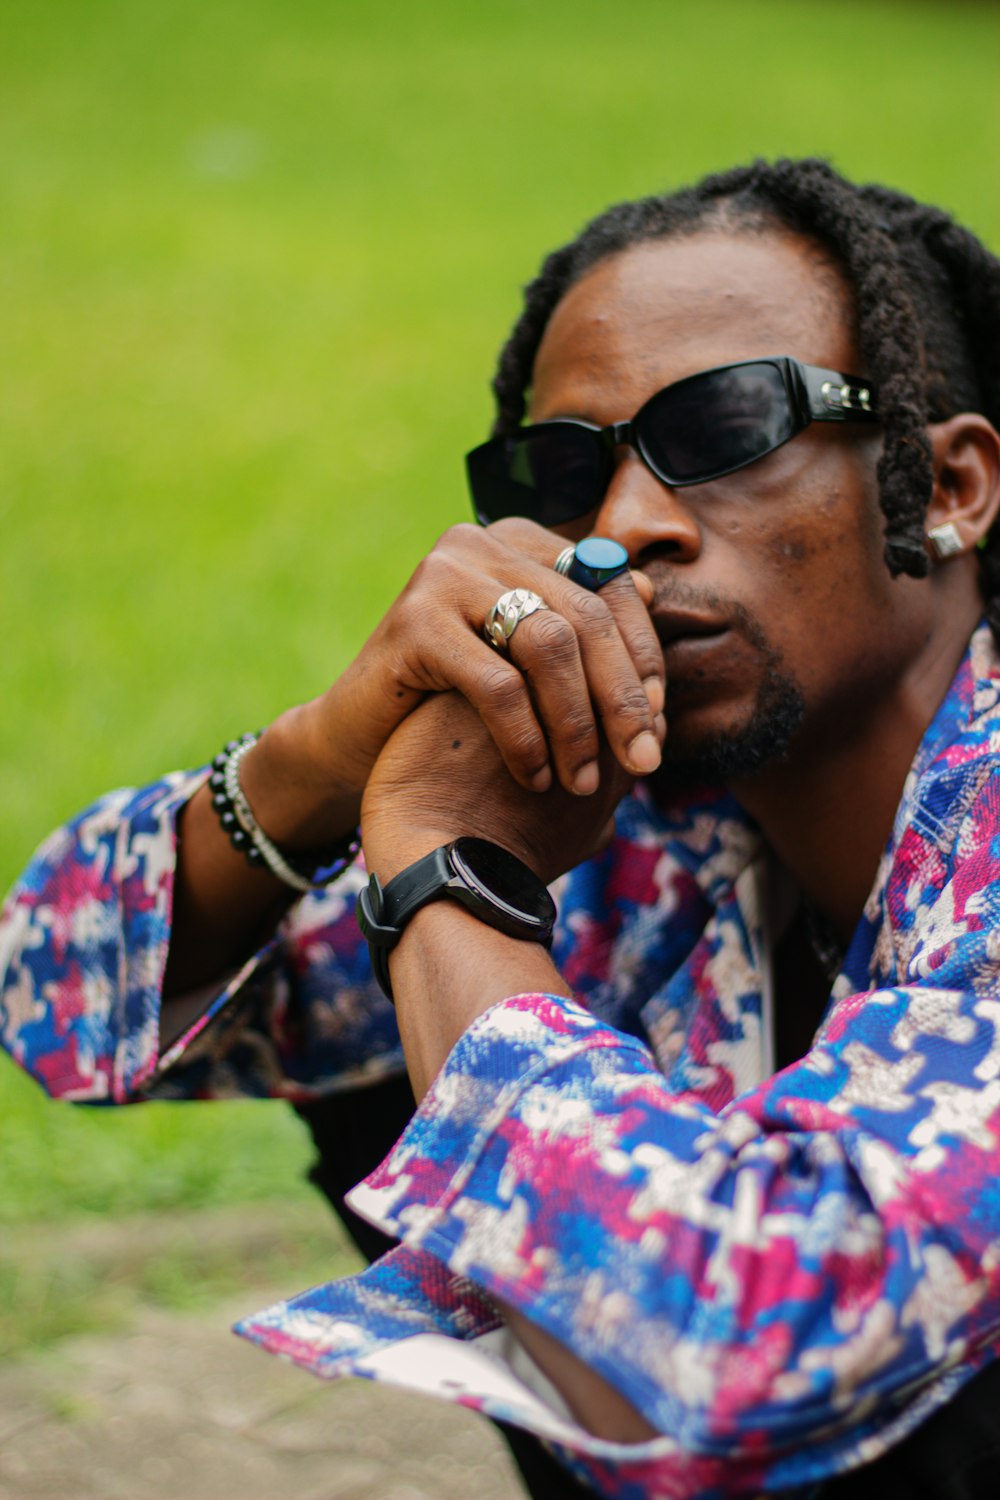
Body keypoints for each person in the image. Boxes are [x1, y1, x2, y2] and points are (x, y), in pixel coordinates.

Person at [4, 156, 1000, 1499]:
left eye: (726, 428)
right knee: (401, 1023)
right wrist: (332, 753)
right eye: (567, 471)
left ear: (950, 489)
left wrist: (447, 872)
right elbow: (56, 999)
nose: (630, 527)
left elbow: (725, 1353)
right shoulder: (635, 827)